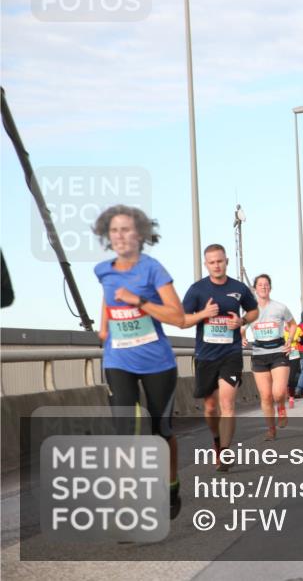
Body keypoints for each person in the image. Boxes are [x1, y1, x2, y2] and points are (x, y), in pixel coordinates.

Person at [92, 205, 185, 518]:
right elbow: (108, 297)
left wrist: (139, 301)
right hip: (118, 360)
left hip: (157, 361)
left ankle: (171, 485)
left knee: (161, 431)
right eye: (114, 230)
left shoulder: (153, 269)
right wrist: (105, 326)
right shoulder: (103, 270)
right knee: (125, 431)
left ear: (140, 234)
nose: (120, 236)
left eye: (126, 229)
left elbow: (178, 316)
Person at [180, 244, 258, 472]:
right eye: (212, 262)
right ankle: (216, 440)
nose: (216, 265)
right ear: (207, 264)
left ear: (226, 262)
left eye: (220, 261)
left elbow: (254, 311)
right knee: (211, 407)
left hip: (231, 354)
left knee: (227, 404)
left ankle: (224, 451)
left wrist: (242, 321)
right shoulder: (197, 290)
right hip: (205, 356)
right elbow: (183, 320)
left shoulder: (238, 288)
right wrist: (204, 314)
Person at [245, 274, 296, 441]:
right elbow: (240, 328)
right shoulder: (250, 311)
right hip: (259, 354)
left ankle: (281, 406)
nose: (264, 287)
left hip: (278, 351)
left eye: (266, 284)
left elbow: (293, 324)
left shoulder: (280, 307)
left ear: (270, 288)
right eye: (260, 285)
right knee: (266, 396)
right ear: (255, 288)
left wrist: (289, 340)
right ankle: (271, 429)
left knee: (278, 392)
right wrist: (242, 338)